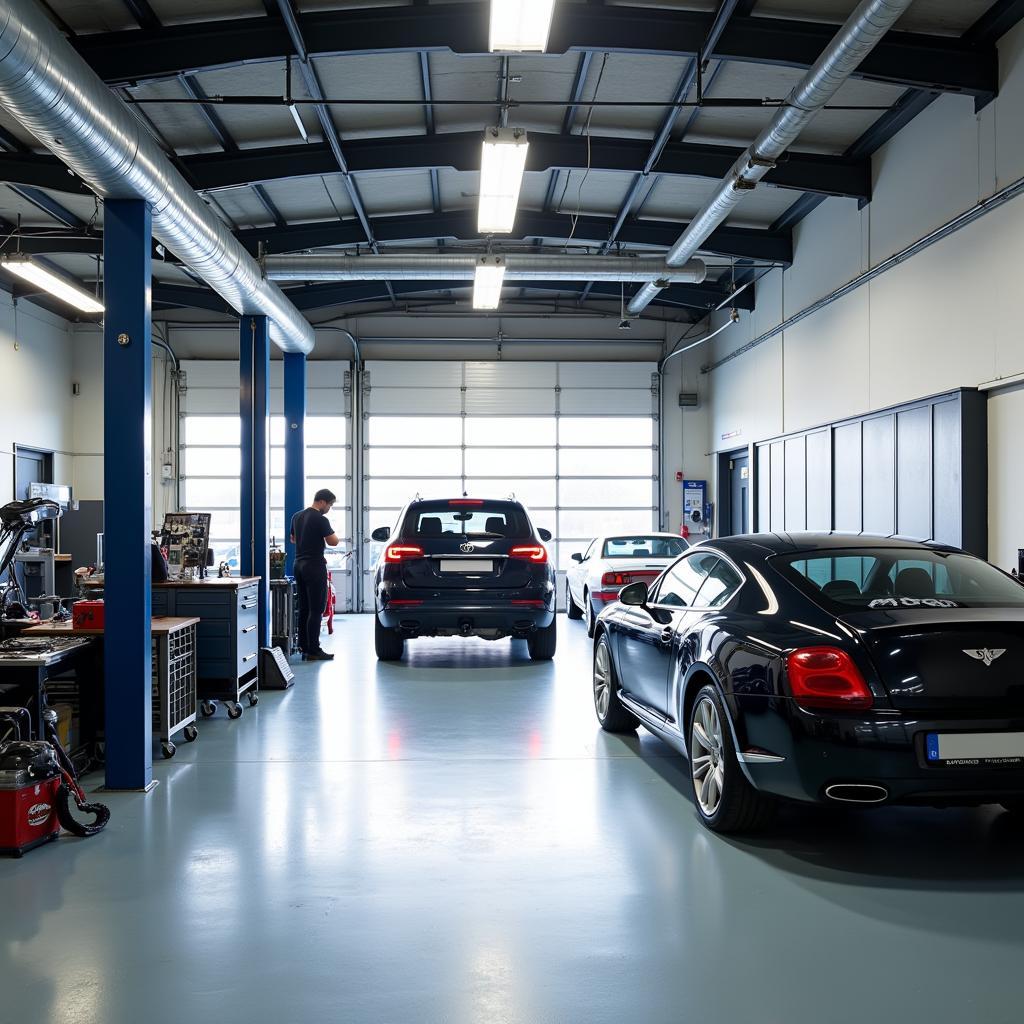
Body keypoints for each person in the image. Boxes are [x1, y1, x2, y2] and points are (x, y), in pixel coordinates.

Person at [289, 489, 340, 661]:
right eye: (330, 504)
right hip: (314, 565)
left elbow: (293, 539)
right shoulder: (320, 519)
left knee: (304, 608)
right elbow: (333, 541)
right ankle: (314, 650)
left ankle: (304, 647)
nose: (329, 508)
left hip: (298, 564)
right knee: (316, 609)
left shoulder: (297, 516)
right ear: (323, 502)